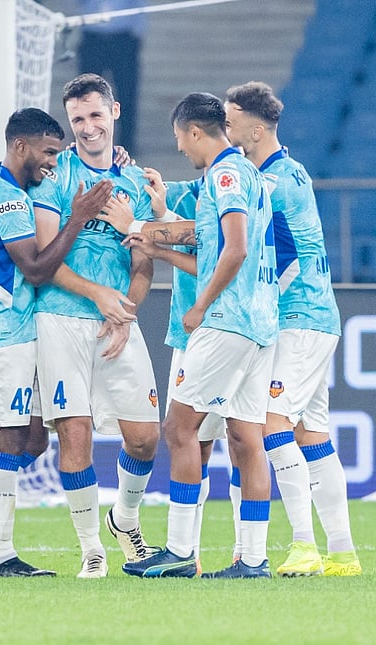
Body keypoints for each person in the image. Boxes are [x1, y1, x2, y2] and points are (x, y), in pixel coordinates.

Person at [113, 92, 279, 579]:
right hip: (259, 323)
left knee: (180, 429)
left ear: (194, 132)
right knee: (246, 437)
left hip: (225, 320)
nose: (181, 149)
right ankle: (252, 559)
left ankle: (181, 551)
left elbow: (236, 249)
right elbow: (211, 255)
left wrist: (200, 306)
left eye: (180, 139)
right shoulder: (247, 174)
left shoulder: (225, 176)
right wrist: (158, 249)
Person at [0, 107, 113, 578]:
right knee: (8, 442)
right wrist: (79, 217)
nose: (52, 162)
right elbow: (36, 268)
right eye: (47, 152)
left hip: (15, 331)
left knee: (32, 440)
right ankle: (2, 556)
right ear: (19, 146)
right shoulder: (7, 198)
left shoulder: (8, 189)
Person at [223, 81, 360, 577]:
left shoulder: (275, 180)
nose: (226, 127)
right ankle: (342, 553)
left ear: (255, 129)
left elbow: (288, 256)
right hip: (313, 318)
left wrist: (263, 303)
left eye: (231, 119)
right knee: (312, 434)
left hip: (298, 319)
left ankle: (304, 545)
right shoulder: (276, 173)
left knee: (268, 423)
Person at [28, 73, 161, 578]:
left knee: (146, 437)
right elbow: (42, 256)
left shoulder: (136, 184)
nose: (87, 128)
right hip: (61, 317)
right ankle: (91, 550)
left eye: (95, 116)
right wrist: (99, 295)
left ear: (115, 113)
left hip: (115, 323)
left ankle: (124, 519)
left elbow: (145, 261)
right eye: (78, 119)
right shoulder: (54, 174)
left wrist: (125, 310)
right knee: (75, 435)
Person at [77, 0, 145, 153]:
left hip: (122, 38)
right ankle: (86, 139)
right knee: (85, 94)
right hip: (93, 38)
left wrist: (138, 33)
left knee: (126, 92)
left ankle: (127, 143)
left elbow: (139, 4)